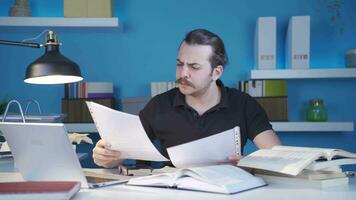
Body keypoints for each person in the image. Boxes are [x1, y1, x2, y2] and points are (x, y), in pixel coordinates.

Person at [93, 29, 281, 168]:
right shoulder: (159, 105)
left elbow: (278, 157)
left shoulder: (244, 104)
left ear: (216, 72)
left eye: (194, 67)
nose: (183, 74)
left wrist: (250, 163)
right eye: (179, 64)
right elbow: (122, 153)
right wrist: (108, 157)